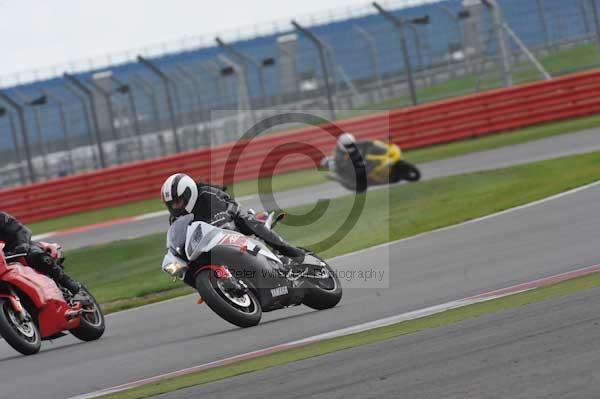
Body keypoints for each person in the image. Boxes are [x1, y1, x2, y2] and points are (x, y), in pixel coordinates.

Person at [160, 173, 305, 265]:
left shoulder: (206, 193)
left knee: (245, 220)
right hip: (209, 244)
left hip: (229, 226)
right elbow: (178, 238)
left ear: (188, 194)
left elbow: (229, 202)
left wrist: (226, 214)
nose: (175, 207)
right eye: (171, 204)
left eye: (178, 202)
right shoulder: (175, 219)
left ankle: (292, 252)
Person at [0, 212, 81, 294]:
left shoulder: (2, 218)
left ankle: (65, 280)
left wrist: (22, 245)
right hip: (3, 263)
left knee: (40, 259)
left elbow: (21, 231)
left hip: (20, 250)